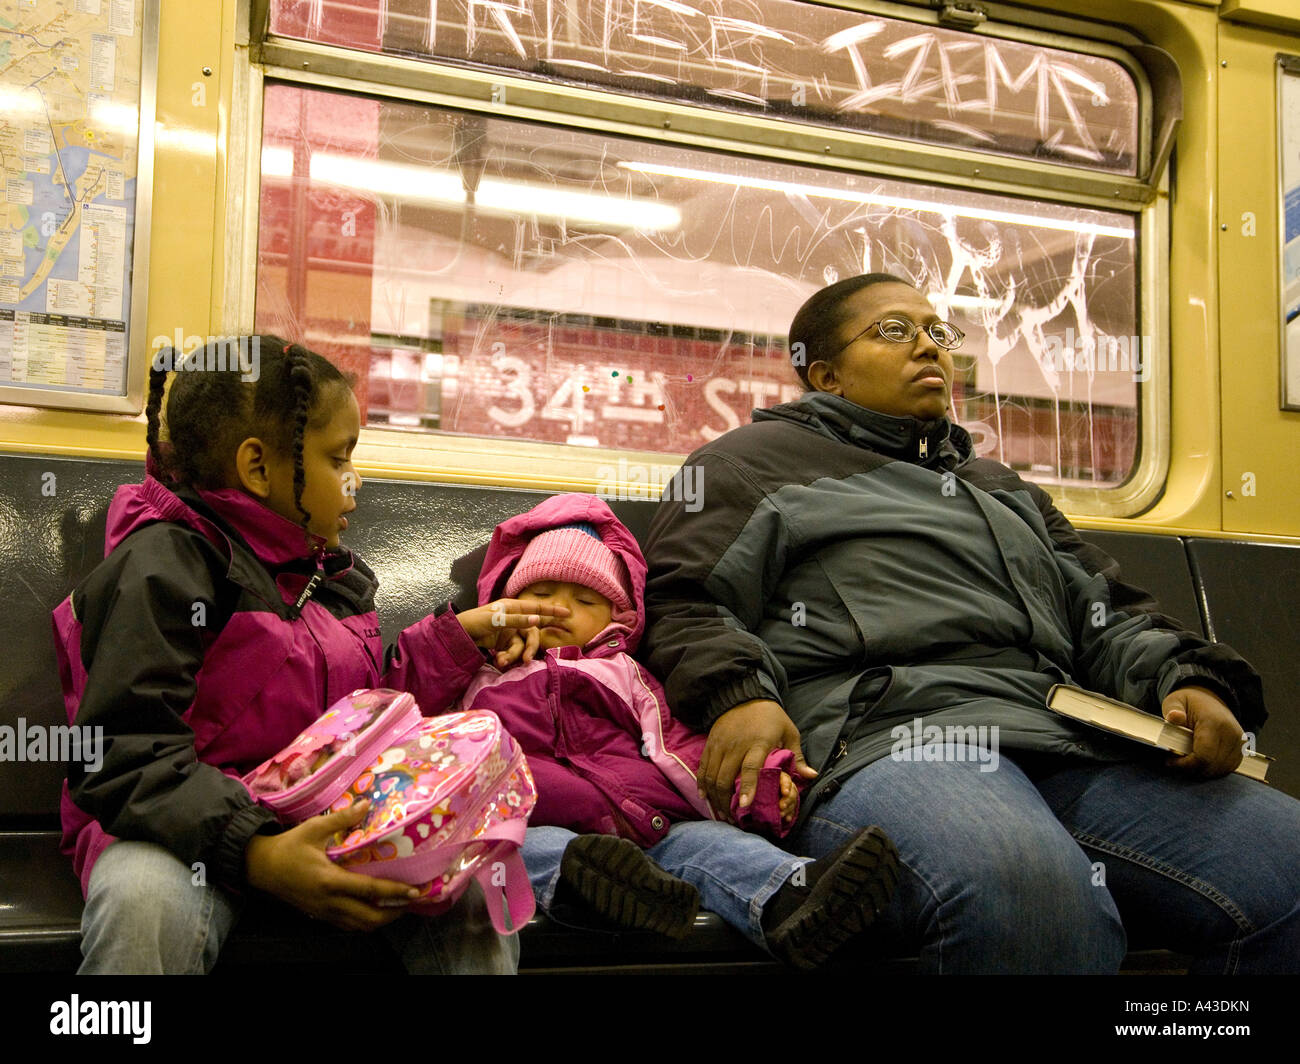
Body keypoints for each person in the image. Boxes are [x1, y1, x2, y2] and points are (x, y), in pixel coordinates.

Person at [641, 273, 1300, 974]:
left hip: (1061, 735)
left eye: (938, 332)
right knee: (1032, 898)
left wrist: (1185, 678)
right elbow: (685, 602)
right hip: (888, 740)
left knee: (1286, 873)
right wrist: (741, 695)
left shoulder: (1001, 489)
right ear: (826, 374)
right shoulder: (744, 466)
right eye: (894, 331)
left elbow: (1108, 614)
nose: (928, 347)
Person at [54, 336, 528, 974]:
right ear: (257, 468)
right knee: (142, 904)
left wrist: (458, 639)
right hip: (180, 832)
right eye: (339, 460)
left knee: (469, 889)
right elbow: (124, 751)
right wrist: (257, 851)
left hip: (317, 820)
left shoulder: (328, 574)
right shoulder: (165, 566)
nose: (355, 484)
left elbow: (359, 712)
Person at [397, 492, 899, 969]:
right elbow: (410, 712)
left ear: (617, 617)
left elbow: (677, 750)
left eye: (583, 599)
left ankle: (794, 896)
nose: (558, 609)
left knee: (706, 844)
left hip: (648, 826)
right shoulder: (480, 676)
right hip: (530, 819)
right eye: (540, 594)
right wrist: (463, 635)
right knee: (515, 849)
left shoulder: (625, 672)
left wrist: (755, 788)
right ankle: (586, 888)